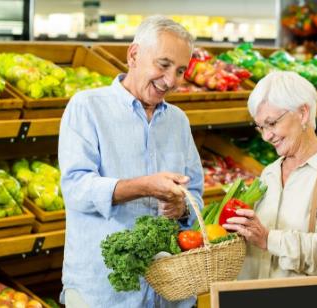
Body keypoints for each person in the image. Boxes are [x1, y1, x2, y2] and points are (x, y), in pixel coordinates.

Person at [58, 16, 203, 308]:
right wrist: (144, 187)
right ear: (133, 55)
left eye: (180, 70)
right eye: (163, 65)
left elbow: (196, 193)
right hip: (104, 293)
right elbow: (76, 189)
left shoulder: (177, 121)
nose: (171, 81)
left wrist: (182, 206)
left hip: (167, 292)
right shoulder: (87, 107)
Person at [223, 71, 317, 279]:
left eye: (272, 123)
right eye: (261, 127)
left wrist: (268, 239)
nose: (266, 136)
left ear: (303, 113)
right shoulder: (269, 173)